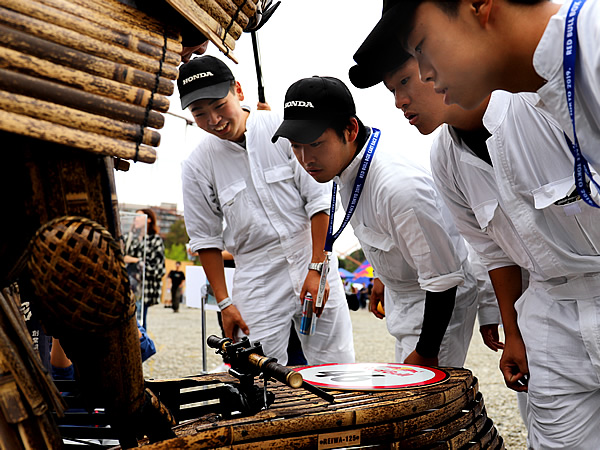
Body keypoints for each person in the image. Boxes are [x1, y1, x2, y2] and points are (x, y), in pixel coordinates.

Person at [349, 38, 600, 446]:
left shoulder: (539, 106)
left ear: (439, 62)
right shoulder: (443, 159)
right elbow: (493, 252)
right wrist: (513, 333)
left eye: (404, 82)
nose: (399, 101)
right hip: (549, 313)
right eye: (391, 91)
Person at [272, 76, 500, 367]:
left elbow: (445, 280)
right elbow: (381, 229)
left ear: (350, 129)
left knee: (428, 402)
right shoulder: (349, 169)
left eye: (316, 144)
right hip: (407, 296)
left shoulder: (397, 188)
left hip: (435, 309)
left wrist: (428, 351)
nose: (306, 159)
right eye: (296, 146)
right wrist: (381, 274)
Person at [178, 56, 355, 366]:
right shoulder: (196, 165)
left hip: (309, 257)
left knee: (334, 364)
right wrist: (224, 303)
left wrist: (317, 268)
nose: (214, 120)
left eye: (219, 106)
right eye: (199, 113)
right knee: (252, 371)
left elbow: (319, 200)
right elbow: (205, 239)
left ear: (239, 90)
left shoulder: (281, 128)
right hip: (255, 277)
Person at [372, 0, 600, 203]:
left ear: (478, 4)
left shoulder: (593, 47)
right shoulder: (561, 77)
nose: (425, 74)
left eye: (421, 48)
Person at [124, 208, 166, 329]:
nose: (135, 219)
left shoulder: (155, 240)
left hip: (143, 290)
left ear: (148, 220)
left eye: (138, 216)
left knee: (139, 324)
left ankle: (141, 347)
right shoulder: (130, 239)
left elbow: (158, 269)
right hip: (128, 288)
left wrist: (135, 261)